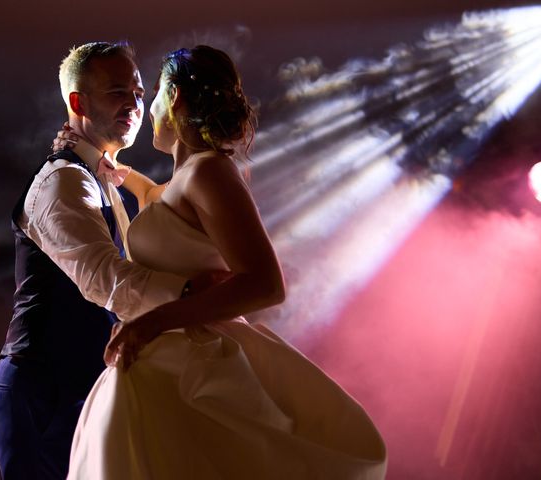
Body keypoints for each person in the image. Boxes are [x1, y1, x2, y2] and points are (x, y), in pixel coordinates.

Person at [59, 45, 387, 479]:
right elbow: (156, 200)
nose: (144, 107)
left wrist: (154, 320)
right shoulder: (186, 179)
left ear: (173, 98)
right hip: (166, 361)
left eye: (151, 94)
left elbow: (267, 284)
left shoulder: (209, 171)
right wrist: (110, 166)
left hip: (198, 363)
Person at [0, 42, 216, 479]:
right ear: (78, 102)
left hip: (83, 386)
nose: (133, 103)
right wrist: (190, 299)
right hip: (43, 394)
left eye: (137, 92)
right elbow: (101, 277)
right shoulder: (64, 180)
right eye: (117, 92)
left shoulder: (101, 175)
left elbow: (155, 202)